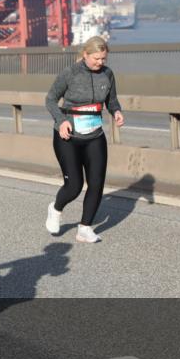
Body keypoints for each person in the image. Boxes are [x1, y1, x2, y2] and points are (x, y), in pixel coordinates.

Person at [43, 36, 125, 244]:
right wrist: (61, 121)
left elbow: (111, 100)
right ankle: (56, 208)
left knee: (96, 183)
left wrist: (116, 111)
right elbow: (50, 99)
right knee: (74, 186)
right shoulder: (70, 73)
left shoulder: (108, 74)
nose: (100, 63)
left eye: (104, 59)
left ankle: (85, 228)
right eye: (96, 58)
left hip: (94, 135)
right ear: (85, 55)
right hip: (68, 136)